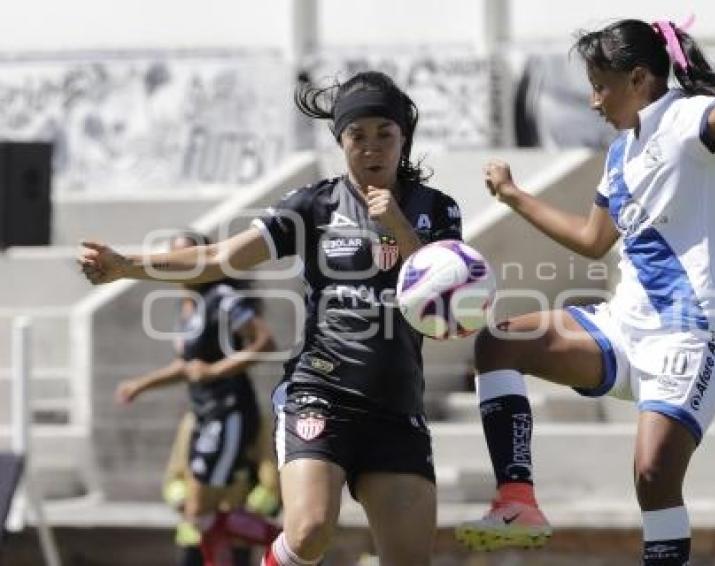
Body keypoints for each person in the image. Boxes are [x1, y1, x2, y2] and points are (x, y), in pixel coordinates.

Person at [80, 70, 463, 566]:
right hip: (321, 395)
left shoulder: (438, 210)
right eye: (357, 136)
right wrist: (129, 265)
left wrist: (398, 227)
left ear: (403, 137)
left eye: (383, 135)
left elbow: (448, 299)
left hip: (396, 406)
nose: (371, 149)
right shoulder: (314, 205)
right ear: (340, 142)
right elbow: (222, 257)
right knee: (308, 533)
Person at [454, 19, 715, 565]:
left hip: (692, 334)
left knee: (652, 474)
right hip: (624, 325)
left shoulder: (682, 117)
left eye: (599, 84)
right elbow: (591, 240)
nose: (591, 100)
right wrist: (513, 196)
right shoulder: (619, 154)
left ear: (637, 79)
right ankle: (516, 501)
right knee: (498, 344)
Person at [113, 231, 279, 566]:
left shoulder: (224, 298)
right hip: (205, 414)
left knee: (199, 509)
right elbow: (188, 366)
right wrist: (142, 384)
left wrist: (216, 371)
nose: (181, 266)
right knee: (201, 516)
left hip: (228, 413)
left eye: (189, 258)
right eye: (176, 259)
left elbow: (265, 343)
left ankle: (290, 545)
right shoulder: (188, 305)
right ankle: (286, 544)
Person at [162, 411, 281, 565]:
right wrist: (185, 503)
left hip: (235, 539)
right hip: (194, 536)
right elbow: (174, 477)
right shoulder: (194, 418)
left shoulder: (253, 419)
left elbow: (271, 483)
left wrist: (240, 518)